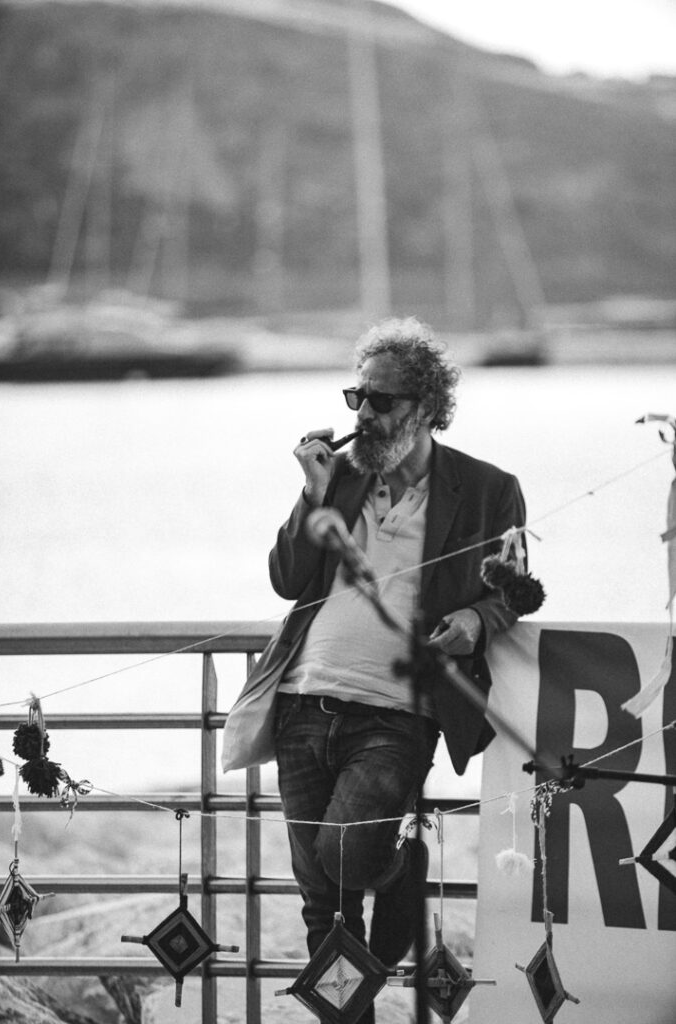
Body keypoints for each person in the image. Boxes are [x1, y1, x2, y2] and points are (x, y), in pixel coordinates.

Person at [224, 316, 526, 1007]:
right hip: (302, 700)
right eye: (355, 397)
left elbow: (514, 592)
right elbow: (286, 577)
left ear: (426, 407)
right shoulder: (340, 477)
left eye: (381, 401)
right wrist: (311, 492)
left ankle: (394, 873)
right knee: (321, 902)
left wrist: (476, 621)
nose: (363, 413)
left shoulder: (486, 489)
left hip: (397, 712)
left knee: (343, 854)